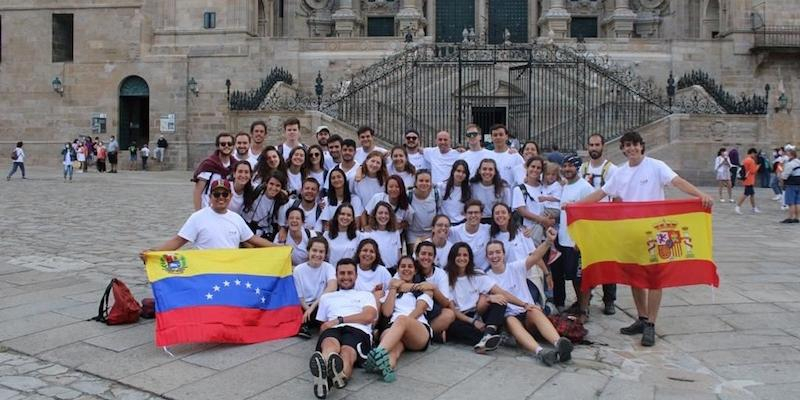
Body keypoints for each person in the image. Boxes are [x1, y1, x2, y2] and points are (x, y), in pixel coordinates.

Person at [580, 131, 713, 347]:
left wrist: (700, 195)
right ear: (623, 149)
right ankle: (641, 318)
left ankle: (651, 323)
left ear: (642, 146)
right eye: (627, 146)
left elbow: (678, 182)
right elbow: (600, 194)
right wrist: (576, 206)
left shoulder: (656, 166)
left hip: (655, 231)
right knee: (635, 276)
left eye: (635, 145)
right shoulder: (620, 173)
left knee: (655, 278)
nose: (631, 149)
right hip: (630, 231)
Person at [485, 234, 572, 366]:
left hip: (528, 313)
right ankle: (540, 352)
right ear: (487, 257)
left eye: (498, 252)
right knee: (510, 319)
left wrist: (548, 241)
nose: (495, 256)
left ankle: (559, 343)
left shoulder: (515, 267)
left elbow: (535, 256)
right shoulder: (486, 277)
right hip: (510, 318)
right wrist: (489, 297)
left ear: (504, 254)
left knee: (534, 310)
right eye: (491, 253)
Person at [140, 179, 276, 254]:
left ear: (230, 196)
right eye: (216, 194)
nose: (221, 198)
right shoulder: (197, 218)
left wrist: (278, 248)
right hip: (206, 271)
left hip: (230, 270)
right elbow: (178, 241)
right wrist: (153, 252)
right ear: (210, 197)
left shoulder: (236, 219)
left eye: (224, 194)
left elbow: (253, 239)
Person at [309, 259, 378, 399]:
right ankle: (331, 371)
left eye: (349, 273)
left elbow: (368, 316)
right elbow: (323, 324)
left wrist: (339, 320)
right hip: (333, 329)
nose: (346, 277)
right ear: (336, 275)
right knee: (329, 344)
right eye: (342, 273)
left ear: (356, 276)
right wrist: (326, 327)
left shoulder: (366, 295)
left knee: (347, 352)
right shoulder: (326, 297)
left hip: (357, 330)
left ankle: (330, 378)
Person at [365, 256, 433, 382]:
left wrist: (402, 325)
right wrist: (393, 289)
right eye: (403, 266)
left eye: (410, 266)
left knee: (401, 320)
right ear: (398, 269)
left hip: (417, 330)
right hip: (394, 328)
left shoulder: (425, 289)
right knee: (393, 350)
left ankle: (378, 352)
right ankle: (386, 367)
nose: (406, 269)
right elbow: (387, 312)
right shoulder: (391, 290)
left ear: (415, 270)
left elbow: (419, 310)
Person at [445, 243, 521, 354]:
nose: (462, 258)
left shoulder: (478, 274)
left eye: (465, 255)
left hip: (479, 313)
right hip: (462, 318)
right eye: (458, 255)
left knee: (500, 300)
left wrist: (523, 304)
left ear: (470, 258)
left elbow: (501, 292)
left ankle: (487, 336)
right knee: (455, 328)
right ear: (452, 257)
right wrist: (473, 322)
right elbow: (453, 310)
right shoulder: (446, 278)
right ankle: (487, 338)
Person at [578, 133, 619, 314]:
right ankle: (587, 295)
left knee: (608, 262)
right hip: (588, 222)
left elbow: (617, 197)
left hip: (605, 222)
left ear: (603, 146)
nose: (594, 148)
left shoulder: (611, 169)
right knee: (587, 261)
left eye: (597, 145)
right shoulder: (583, 168)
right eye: (591, 145)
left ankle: (609, 299)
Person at [294, 237, 337, 339]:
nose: (317, 254)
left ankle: (308, 323)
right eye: (314, 250)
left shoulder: (328, 267)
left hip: (319, 305)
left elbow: (332, 287)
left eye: (321, 252)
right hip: (304, 306)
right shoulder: (298, 270)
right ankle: (308, 324)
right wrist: (308, 309)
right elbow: (299, 297)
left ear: (325, 254)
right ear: (308, 251)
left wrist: (312, 308)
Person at [512, 156, 553, 243]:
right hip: (527, 234)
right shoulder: (519, 189)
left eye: (538, 168)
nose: (535, 170)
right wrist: (542, 220)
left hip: (545, 235)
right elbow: (522, 211)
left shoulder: (546, 188)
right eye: (532, 166)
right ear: (527, 167)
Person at [242, 170, 291, 240]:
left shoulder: (280, 202)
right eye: (271, 184)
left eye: (278, 186)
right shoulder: (256, 190)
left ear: (281, 188)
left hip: (262, 232)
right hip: (245, 226)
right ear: (266, 183)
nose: (273, 188)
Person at [192, 133, 234, 211]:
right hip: (208, 210)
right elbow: (198, 191)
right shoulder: (208, 165)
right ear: (218, 146)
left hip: (228, 212)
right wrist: (197, 213)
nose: (226, 146)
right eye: (223, 144)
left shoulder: (235, 165)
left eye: (229, 143)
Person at [449, 200, 491, 271]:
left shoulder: (489, 229)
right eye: (470, 213)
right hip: (461, 272)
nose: (473, 215)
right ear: (465, 215)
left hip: (484, 272)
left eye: (476, 212)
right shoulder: (454, 231)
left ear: (482, 214)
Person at [362, 201, 402, 270]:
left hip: (394, 271)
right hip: (377, 271)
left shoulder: (395, 232)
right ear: (375, 215)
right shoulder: (368, 234)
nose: (383, 216)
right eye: (380, 213)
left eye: (386, 213)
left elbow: (398, 254)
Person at [406, 170, 440, 252]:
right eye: (421, 180)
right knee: (415, 256)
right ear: (416, 182)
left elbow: (439, 209)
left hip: (431, 233)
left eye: (427, 181)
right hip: (413, 233)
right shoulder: (408, 195)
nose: (424, 183)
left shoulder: (436, 194)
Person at [438, 160, 471, 225]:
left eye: (464, 172)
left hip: (461, 223)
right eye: (458, 171)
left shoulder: (468, 188)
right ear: (453, 171)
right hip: (445, 224)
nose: (460, 174)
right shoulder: (442, 186)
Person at [735, 148, 761, 215]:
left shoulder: (745, 159)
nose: (755, 155)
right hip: (749, 179)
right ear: (752, 153)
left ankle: (754, 207)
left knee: (752, 194)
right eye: (754, 154)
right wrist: (758, 166)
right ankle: (738, 206)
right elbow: (753, 171)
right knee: (746, 194)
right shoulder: (751, 161)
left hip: (746, 179)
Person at [780, 146, 800, 223]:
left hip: (791, 184)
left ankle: (790, 217)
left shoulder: (790, 164)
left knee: (791, 202)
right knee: (798, 202)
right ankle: (797, 217)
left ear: (791, 155)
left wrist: (782, 182)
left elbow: (785, 175)